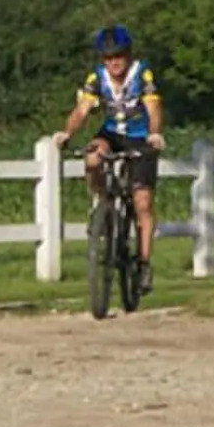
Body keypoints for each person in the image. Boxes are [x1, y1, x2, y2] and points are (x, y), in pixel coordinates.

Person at [52, 24, 164, 294]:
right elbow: (81, 110)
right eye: (108, 57)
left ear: (128, 55)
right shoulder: (97, 78)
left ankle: (144, 262)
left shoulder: (142, 74)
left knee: (142, 201)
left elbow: (154, 108)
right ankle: (101, 203)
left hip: (140, 136)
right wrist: (67, 132)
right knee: (93, 157)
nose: (114, 62)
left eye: (119, 56)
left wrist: (154, 134)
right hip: (111, 133)